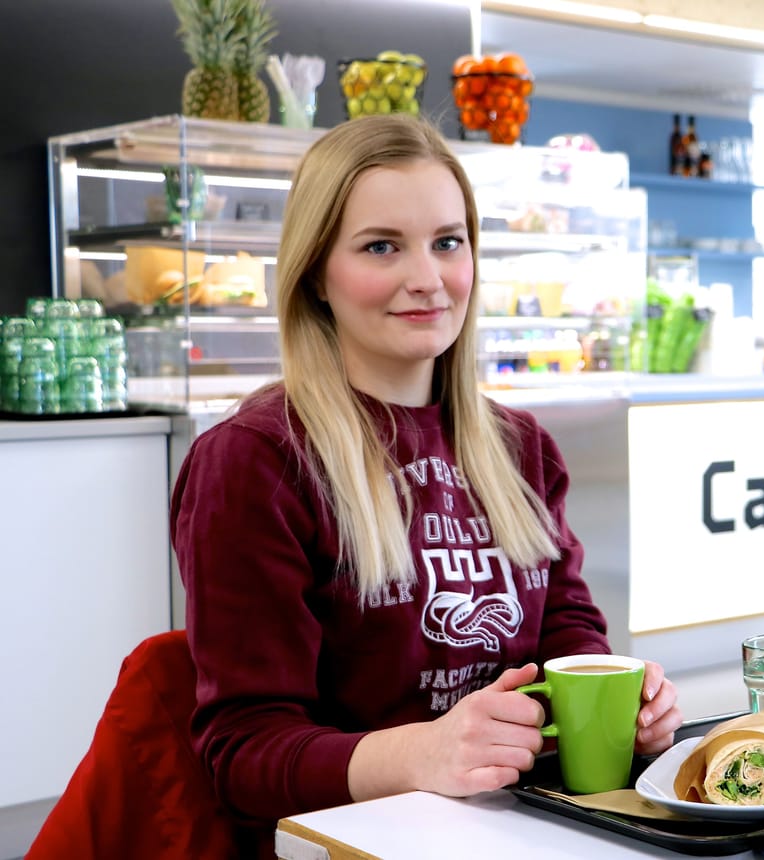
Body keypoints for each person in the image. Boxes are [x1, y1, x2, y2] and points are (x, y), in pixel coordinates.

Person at [170, 113, 682, 854]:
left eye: (448, 242)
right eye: (382, 246)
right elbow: (242, 755)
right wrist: (421, 753)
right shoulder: (255, 459)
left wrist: (621, 703)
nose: (427, 279)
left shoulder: (519, 446)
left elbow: (567, 636)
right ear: (316, 271)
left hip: (526, 832)